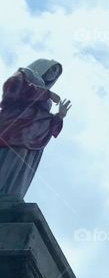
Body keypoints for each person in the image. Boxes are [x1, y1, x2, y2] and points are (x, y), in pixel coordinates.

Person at [0, 59, 70, 199]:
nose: (54, 73)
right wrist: (45, 93)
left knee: (21, 168)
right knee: (9, 160)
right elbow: (11, 91)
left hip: (33, 138)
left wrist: (58, 117)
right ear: (42, 66)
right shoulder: (24, 75)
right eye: (52, 69)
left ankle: (10, 197)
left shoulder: (45, 94)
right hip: (14, 131)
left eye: (56, 72)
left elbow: (41, 117)